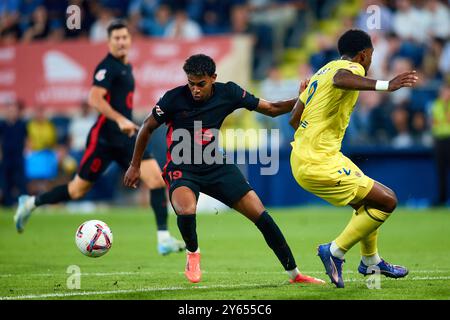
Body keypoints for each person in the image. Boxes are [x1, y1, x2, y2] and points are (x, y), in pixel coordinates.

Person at [123, 53, 325, 285]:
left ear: (213, 78)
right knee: (186, 209)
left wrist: (301, 100)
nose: (195, 89)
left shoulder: (228, 92)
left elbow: (271, 109)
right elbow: (147, 127)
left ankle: (295, 274)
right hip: (182, 167)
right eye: (191, 84)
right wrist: (134, 165)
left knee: (262, 216)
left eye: (201, 84)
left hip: (216, 166)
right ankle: (193, 253)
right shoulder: (173, 98)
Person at [14, 20, 184, 256]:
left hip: (125, 139)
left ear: (130, 39)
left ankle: (163, 239)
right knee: (76, 191)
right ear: (109, 42)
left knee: (156, 179)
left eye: (125, 37)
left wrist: (125, 123)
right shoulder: (108, 67)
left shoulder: (127, 67)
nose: (122, 42)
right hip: (103, 140)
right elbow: (94, 98)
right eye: (117, 38)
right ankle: (30, 203)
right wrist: (120, 119)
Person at [289, 29, 417, 288]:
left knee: (367, 205)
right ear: (363, 54)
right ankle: (334, 251)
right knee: (387, 201)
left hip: (307, 156)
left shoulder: (319, 73)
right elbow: (341, 79)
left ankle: (371, 261)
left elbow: (294, 119)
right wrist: (386, 85)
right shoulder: (349, 68)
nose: (369, 62)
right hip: (319, 161)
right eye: (370, 56)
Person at [0, 101, 27, 207]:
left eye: (15, 111)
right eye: (10, 111)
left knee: (20, 180)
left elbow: (26, 139)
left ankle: (24, 204)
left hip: (18, 156)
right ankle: (8, 203)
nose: (13, 113)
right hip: (6, 156)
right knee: (6, 181)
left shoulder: (22, 124)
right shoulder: (2, 124)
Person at [430, 83, 450, 206]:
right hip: (440, 140)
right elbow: (437, 122)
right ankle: (442, 199)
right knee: (441, 171)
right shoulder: (436, 105)